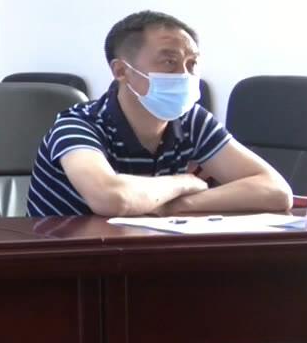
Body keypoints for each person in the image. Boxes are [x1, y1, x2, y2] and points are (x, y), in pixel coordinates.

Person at [27, 11, 289, 217]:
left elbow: (275, 190)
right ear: (121, 71)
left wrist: (178, 205)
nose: (185, 75)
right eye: (169, 62)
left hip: (146, 256)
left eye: (192, 63)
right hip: (68, 262)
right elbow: (111, 198)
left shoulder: (191, 120)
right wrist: (183, 182)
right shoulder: (78, 124)